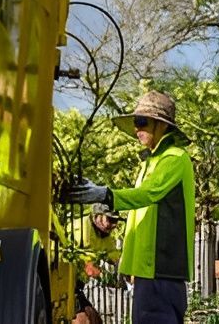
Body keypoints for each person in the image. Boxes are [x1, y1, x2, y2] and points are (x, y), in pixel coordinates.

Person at [63, 91, 195, 324]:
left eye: (141, 122)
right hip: (146, 271)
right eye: (135, 122)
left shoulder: (174, 158)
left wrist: (103, 194)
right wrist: (129, 265)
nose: (136, 129)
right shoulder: (151, 162)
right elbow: (138, 210)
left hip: (159, 268)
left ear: (160, 124)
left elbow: (147, 195)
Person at [72, 203, 123, 324]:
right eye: (110, 220)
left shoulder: (105, 237)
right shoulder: (80, 228)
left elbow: (114, 254)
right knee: (83, 320)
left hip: (78, 286)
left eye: (116, 221)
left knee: (95, 320)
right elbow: (68, 254)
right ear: (98, 216)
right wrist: (87, 263)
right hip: (65, 285)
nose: (113, 225)